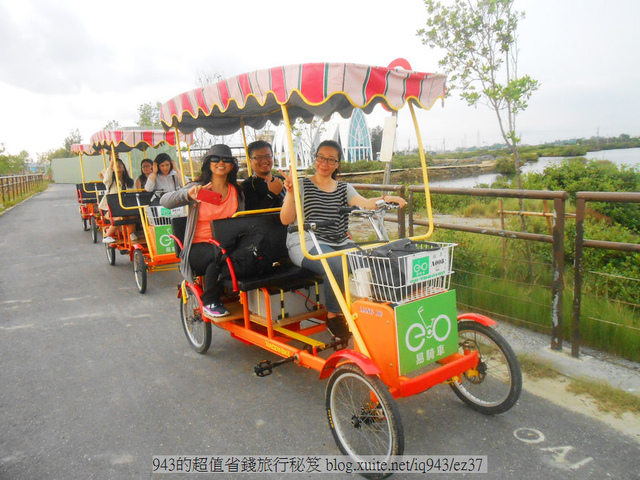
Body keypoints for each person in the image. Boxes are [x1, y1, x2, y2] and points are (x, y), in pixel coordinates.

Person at [280, 140, 406, 338]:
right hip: (306, 241)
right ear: (315, 159)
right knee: (337, 264)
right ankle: (334, 314)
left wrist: (386, 199)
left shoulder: (343, 188)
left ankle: (384, 307)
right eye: (321, 157)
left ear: (338, 164)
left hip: (339, 241)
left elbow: (364, 204)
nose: (325, 163)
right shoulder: (301, 185)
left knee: (377, 260)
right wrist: (290, 193)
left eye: (331, 159)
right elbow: (286, 219)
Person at [160, 144, 244, 317]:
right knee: (219, 255)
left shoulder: (237, 191)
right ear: (208, 163)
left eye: (226, 159)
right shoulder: (198, 188)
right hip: (198, 248)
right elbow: (165, 201)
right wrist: (188, 195)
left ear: (232, 165)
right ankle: (210, 301)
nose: (221, 162)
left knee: (241, 254)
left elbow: (242, 221)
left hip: (226, 246)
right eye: (215, 159)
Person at [100, 153, 135, 244]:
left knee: (133, 215)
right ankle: (107, 235)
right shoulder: (110, 181)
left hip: (126, 207)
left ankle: (131, 234)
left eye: (120, 164)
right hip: (113, 209)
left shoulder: (130, 182)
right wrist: (112, 160)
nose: (118, 166)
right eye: (116, 165)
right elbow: (106, 176)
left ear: (124, 168)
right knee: (121, 217)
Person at [241, 140, 285, 210]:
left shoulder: (283, 180)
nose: (264, 160)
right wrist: (272, 194)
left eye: (268, 156)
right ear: (250, 161)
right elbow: (252, 215)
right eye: (258, 157)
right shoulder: (247, 185)